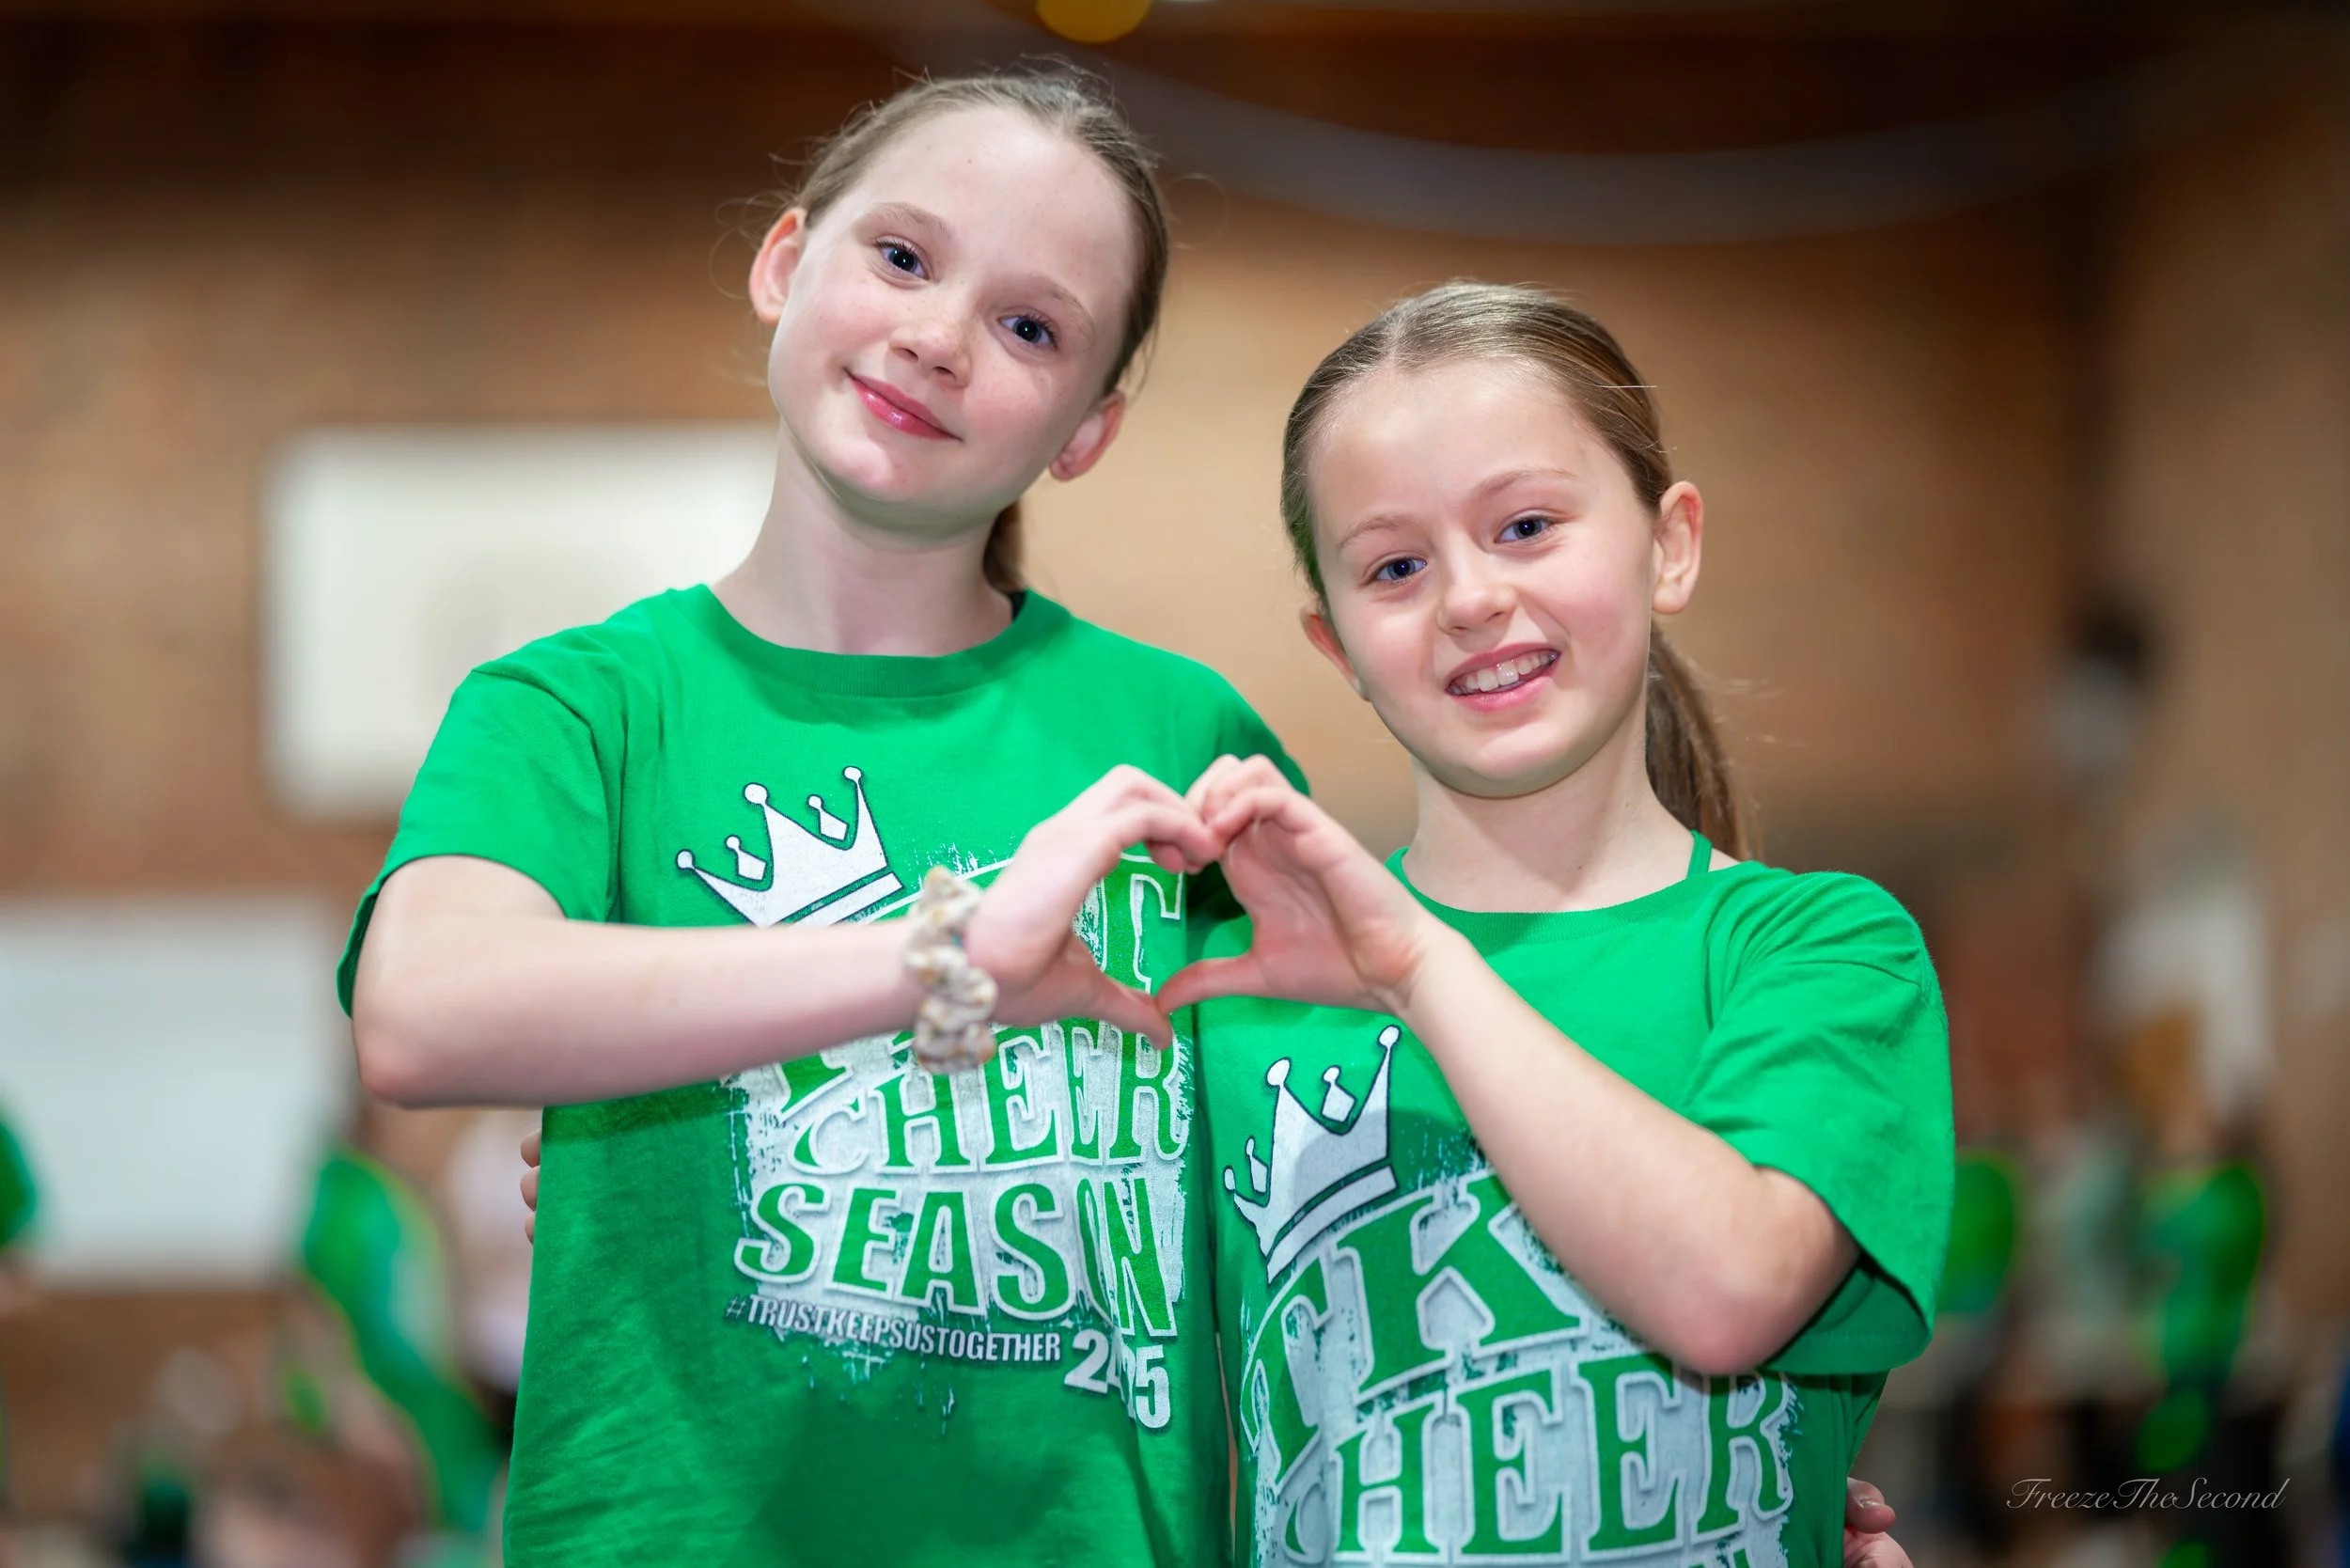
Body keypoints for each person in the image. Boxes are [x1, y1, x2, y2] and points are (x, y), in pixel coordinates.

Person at [346, 67, 1295, 1566]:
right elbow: (420, 1012)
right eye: (904, 257)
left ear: (1086, 431)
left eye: (1030, 326)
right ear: (785, 263)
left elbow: (1329, 1171)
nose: (938, 336)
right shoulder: (579, 707)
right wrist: (946, 959)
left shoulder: (1182, 739)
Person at [1159, 283, 1954, 1566]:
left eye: (1527, 524)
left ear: (1669, 543)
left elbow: (1728, 1288)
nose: (1470, 597)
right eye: (1395, 566)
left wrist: (1417, 966)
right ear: (1337, 643)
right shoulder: (1237, 1001)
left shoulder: (1819, 953)